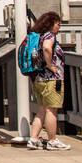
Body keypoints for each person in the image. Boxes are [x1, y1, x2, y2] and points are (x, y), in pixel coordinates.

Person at [27, 11, 71, 151]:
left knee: (41, 110)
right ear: (51, 24)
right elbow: (47, 47)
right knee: (52, 110)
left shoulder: (37, 36)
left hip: (38, 78)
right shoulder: (49, 36)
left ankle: (33, 139)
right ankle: (52, 140)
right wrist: (50, 65)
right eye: (58, 24)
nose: (59, 27)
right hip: (52, 79)